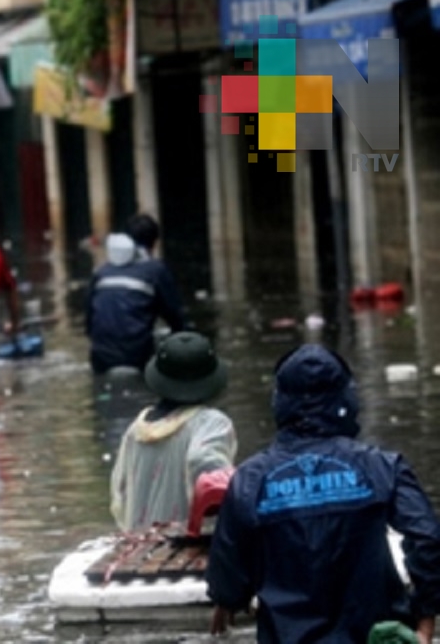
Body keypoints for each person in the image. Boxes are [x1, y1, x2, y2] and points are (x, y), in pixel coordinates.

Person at [206, 344, 440, 644]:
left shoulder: (249, 481)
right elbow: (428, 538)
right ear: (346, 397)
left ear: (279, 400)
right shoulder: (383, 467)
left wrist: (226, 598)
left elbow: (229, 569)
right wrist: (425, 622)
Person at [110, 331, 235, 532]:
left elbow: (121, 496)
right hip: (185, 550)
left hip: (141, 552)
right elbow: (204, 463)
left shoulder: (135, 431)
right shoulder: (210, 423)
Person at [86, 232, 184, 375]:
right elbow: (173, 313)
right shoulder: (153, 271)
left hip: (102, 356)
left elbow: (89, 319)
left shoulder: (100, 274)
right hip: (137, 355)